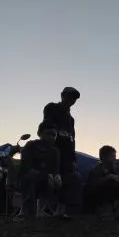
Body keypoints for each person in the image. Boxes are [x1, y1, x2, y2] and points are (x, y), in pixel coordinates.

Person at [42, 87, 83, 215]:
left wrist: (73, 159)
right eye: (69, 96)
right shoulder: (51, 107)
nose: (72, 100)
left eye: (74, 98)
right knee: (49, 179)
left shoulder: (71, 120)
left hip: (66, 156)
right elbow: (47, 128)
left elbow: (72, 139)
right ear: (62, 95)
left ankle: (60, 210)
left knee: (72, 178)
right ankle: (42, 209)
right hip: (51, 152)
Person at [16, 120, 62, 219]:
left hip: (47, 179)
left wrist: (56, 176)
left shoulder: (55, 151)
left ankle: (53, 210)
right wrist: (45, 175)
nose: (51, 137)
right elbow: (26, 167)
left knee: (70, 179)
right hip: (28, 177)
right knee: (31, 176)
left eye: (54, 135)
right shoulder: (31, 145)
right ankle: (26, 211)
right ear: (40, 134)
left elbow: (55, 169)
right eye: (48, 134)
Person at [85, 145, 119, 217]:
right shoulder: (96, 169)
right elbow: (93, 186)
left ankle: (118, 211)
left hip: (111, 195)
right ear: (104, 157)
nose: (115, 159)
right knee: (109, 182)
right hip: (98, 197)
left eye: (115, 156)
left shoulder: (114, 168)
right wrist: (108, 177)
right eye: (112, 156)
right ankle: (107, 211)